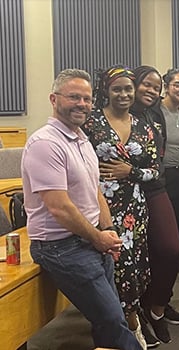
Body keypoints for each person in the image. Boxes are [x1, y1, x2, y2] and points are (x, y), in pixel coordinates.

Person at [22, 68, 142, 350]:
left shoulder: (81, 139)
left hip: (89, 239)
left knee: (107, 321)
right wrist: (97, 237)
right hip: (59, 245)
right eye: (74, 97)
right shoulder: (45, 144)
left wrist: (108, 230)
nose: (82, 104)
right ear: (54, 99)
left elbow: (94, 190)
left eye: (87, 99)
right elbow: (59, 208)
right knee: (113, 320)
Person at [82, 65, 160, 349]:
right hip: (100, 206)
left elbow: (155, 170)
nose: (124, 94)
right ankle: (117, 328)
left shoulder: (144, 126)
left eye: (128, 88)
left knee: (135, 267)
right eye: (117, 89)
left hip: (134, 208)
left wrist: (131, 172)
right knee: (110, 268)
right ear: (107, 91)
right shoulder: (90, 122)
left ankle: (129, 322)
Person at [130, 66, 179, 345]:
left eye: (155, 87)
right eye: (146, 85)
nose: (151, 91)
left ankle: (157, 308)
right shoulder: (113, 114)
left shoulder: (155, 115)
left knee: (171, 249)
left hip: (155, 186)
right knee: (138, 257)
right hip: (122, 195)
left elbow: (158, 157)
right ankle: (138, 313)